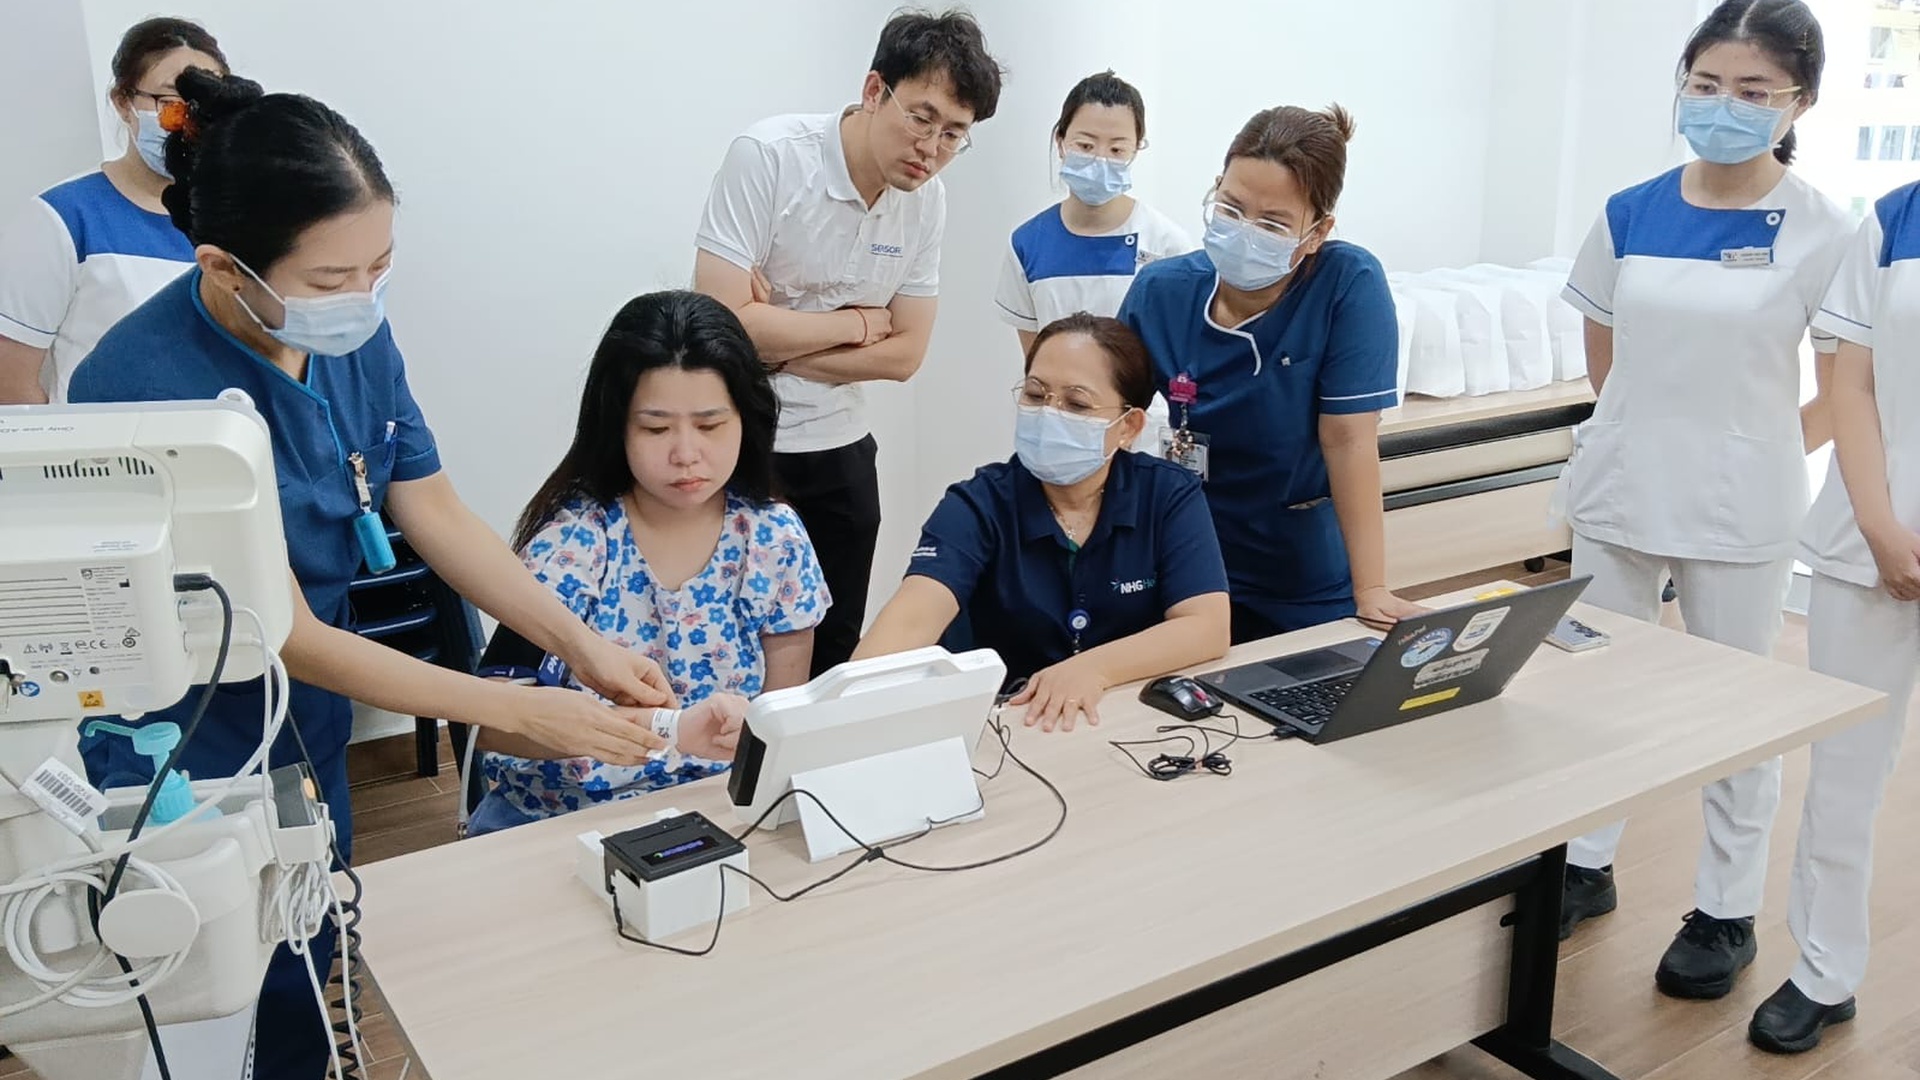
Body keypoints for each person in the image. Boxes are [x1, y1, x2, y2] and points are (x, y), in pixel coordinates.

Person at [66, 70, 735, 1079]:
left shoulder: (349, 340)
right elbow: (284, 631)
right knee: (201, 995)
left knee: (307, 948)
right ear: (222, 267)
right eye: (332, 280)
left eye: (379, 266)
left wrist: (580, 645)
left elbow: (433, 508)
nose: (362, 300)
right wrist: (510, 712)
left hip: (306, 722)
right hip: (184, 742)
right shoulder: (140, 390)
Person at [1553, 0, 1852, 1004]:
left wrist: (1773, 444)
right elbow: (1607, 343)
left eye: (1753, 92)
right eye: (1707, 84)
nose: (1724, 106)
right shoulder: (1632, 207)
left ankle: (1725, 912)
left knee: (1738, 712)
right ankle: (1582, 865)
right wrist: (1635, 426)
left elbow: (1852, 378)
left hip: (1741, 507)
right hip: (1621, 487)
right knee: (1591, 691)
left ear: (1798, 102)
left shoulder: (1822, 227)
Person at [694, 9, 1004, 677]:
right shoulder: (771, 157)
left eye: (954, 133)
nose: (932, 147)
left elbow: (906, 356)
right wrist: (856, 324)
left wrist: (774, 339)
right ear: (874, 91)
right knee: (734, 650)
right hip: (744, 446)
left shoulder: (928, 202)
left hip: (841, 451)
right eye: (922, 117)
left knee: (834, 653)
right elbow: (721, 323)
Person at [468, 291, 829, 834]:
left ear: (746, 422)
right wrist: (665, 728)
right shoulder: (574, 544)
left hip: (716, 811)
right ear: (617, 427)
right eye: (656, 429)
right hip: (559, 818)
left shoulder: (773, 537)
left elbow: (780, 718)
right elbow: (492, 725)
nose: (685, 453)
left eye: (710, 425)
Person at [1117, 104, 1420, 643]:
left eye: (1274, 223)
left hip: (1299, 574)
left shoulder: (1347, 284)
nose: (1245, 232)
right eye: (1231, 208)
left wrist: (1371, 589)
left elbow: (1349, 440)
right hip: (1185, 560)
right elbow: (1114, 419)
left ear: (1317, 231)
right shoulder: (1161, 292)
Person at [854, 313, 1230, 731]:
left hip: (1129, 720)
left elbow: (1207, 625)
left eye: (1076, 404)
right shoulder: (979, 503)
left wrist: (1094, 669)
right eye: (1035, 395)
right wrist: (842, 706)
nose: (1049, 414)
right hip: (1015, 730)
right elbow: (910, 620)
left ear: (1129, 426)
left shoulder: (1168, 494)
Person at [1758, 178, 1920, 1054]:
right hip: (1874, 542)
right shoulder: (1898, 218)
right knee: (1847, 769)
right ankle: (1823, 970)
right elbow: (1848, 382)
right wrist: (1880, 522)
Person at [0, 17, 228, 404]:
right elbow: (11, 384)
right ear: (124, 102)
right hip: (101, 460)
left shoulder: (236, 222)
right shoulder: (64, 219)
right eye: (169, 102)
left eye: (204, 104)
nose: (189, 120)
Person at [994, 70, 1192, 355]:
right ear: (1061, 141)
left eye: (1116, 149)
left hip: (1142, 401)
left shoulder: (1166, 244)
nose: (1101, 160)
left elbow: (1176, 351)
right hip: (1056, 399)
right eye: (1085, 146)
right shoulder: (1027, 244)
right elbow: (1035, 361)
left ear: (1136, 148)